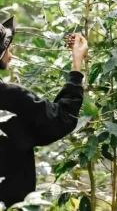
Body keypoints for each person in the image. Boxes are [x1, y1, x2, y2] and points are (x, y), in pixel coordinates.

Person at [0, 16, 88, 208]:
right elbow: (62, 118)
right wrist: (76, 67)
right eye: (8, 47)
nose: (11, 53)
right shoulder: (11, 97)